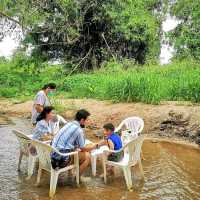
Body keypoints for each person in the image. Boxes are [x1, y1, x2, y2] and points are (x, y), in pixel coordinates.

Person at [51, 109, 96, 174]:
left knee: (74, 150)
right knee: (87, 156)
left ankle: (71, 174)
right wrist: (96, 146)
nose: (89, 121)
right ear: (82, 120)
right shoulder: (78, 130)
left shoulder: (69, 124)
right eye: (88, 120)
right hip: (60, 160)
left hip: (52, 156)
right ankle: (76, 179)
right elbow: (83, 148)